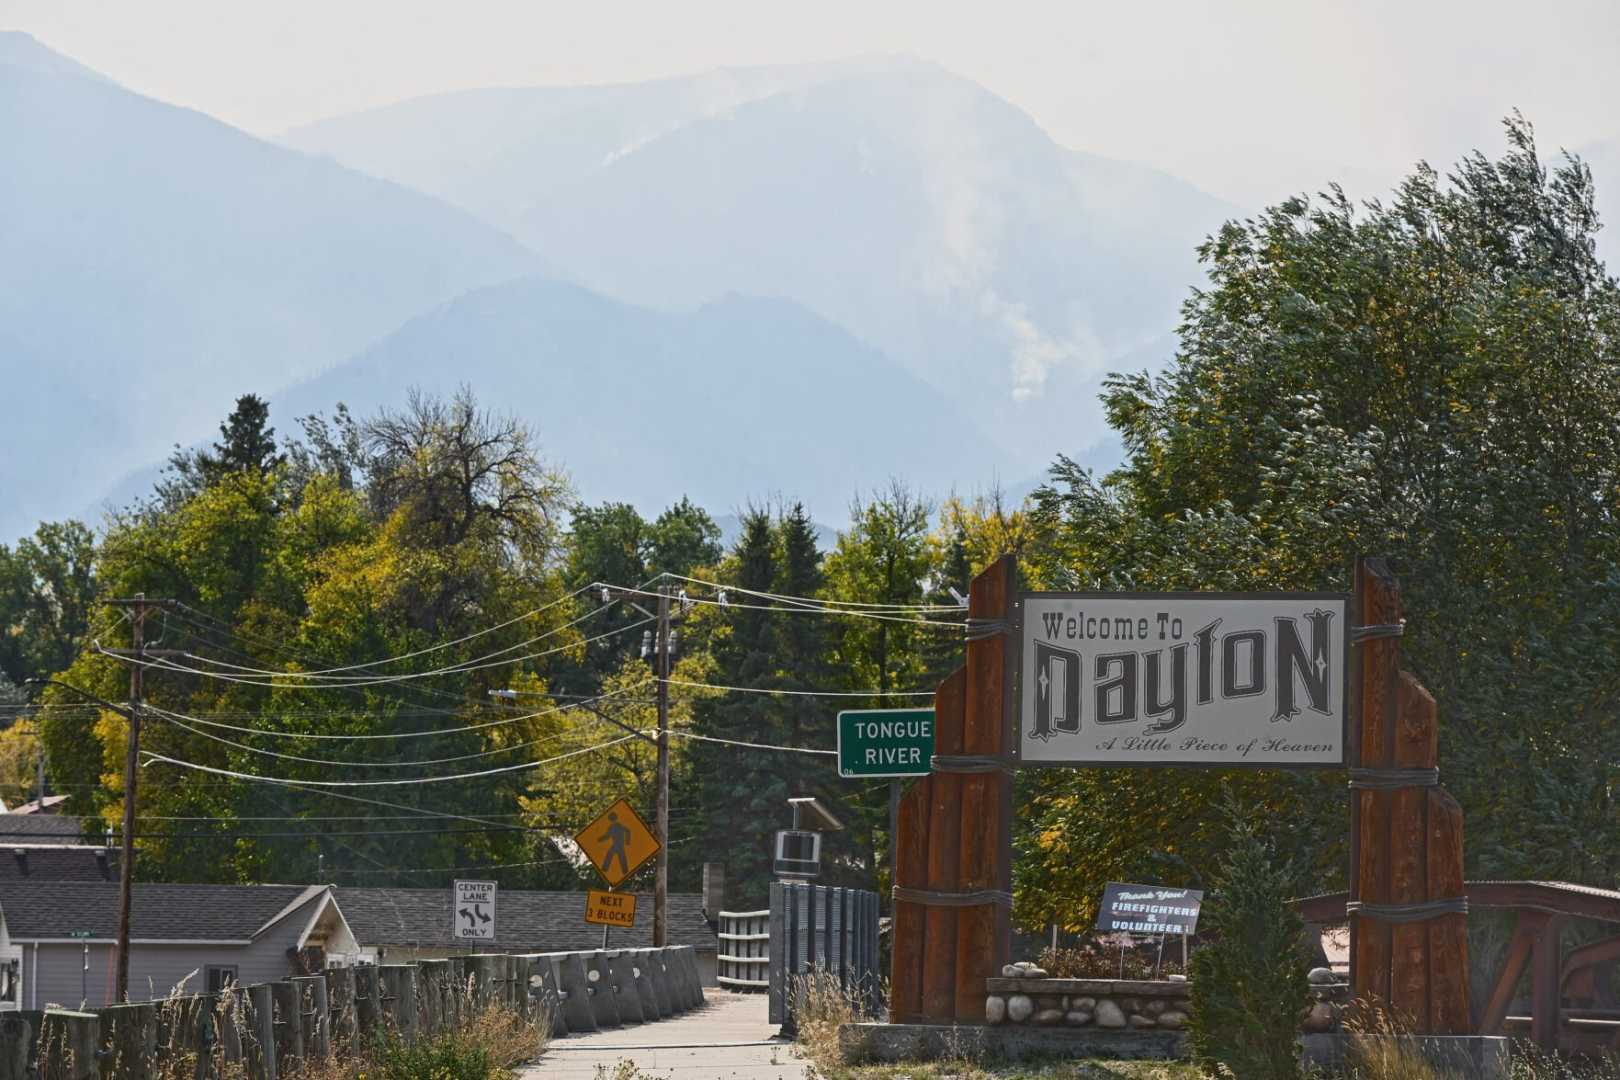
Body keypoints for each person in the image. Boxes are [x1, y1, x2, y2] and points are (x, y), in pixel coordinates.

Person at [600, 811, 631, 877]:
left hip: (619, 844)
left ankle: (624, 871)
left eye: (612, 818)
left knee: (619, 857)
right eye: (611, 819)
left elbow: (628, 831)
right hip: (616, 844)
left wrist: (627, 841)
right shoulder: (612, 827)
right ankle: (605, 869)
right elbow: (607, 836)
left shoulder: (619, 826)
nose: (612, 820)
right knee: (614, 855)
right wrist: (600, 839)